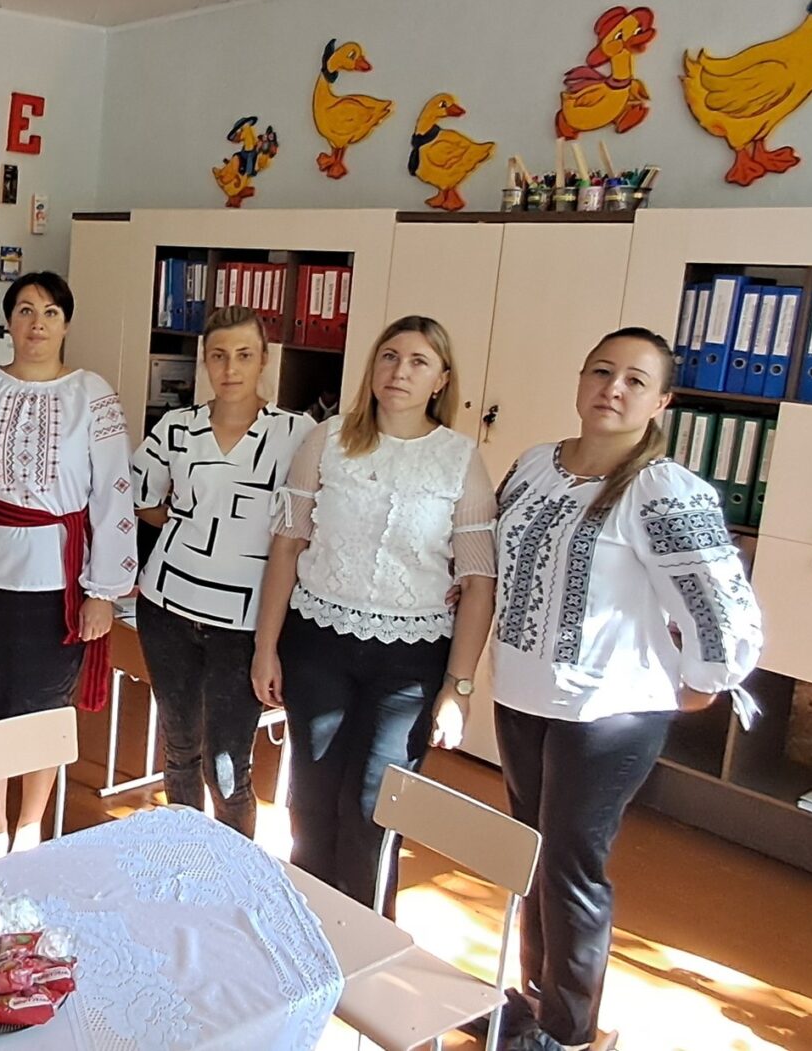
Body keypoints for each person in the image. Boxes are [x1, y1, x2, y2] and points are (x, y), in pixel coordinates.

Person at [480, 328, 763, 1051]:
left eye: (636, 380)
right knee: (533, 851)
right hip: (523, 694)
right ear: (580, 379)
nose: (613, 388)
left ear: (661, 401)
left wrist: (705, 680)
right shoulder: (534, 466)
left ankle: (569, 1032)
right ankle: (534, 999)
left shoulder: (661, 490)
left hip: (609, 712)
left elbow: (720, 603)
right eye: (602, 371)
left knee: (571, 866)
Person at [251, 315, 497, 906]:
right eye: (389, 356)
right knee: (311, 798)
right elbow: (287, 546)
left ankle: (367, 935)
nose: (399, 372)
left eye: (418, 362)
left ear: (441, 379)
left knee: (374, 805)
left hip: (411, 660)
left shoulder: (460, 459)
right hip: (318, 644)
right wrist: (265, 648)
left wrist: (459, 688)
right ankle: (308, 923)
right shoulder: (328, 439)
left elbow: (478, 582)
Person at [0, 271, 134, 862]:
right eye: (25, 310)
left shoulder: (92, 395)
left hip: (58, 582)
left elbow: (114, 494)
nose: (37, 323)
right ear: (8, 322)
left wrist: (103, 591)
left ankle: (31, 824)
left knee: (44, 709)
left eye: (51, 312)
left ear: (66, 324)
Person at [128, 305, 310, 838]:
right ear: (204, 361)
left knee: (228, 765)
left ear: (264, 360)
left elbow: (309, 521)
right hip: (167, 609)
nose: (231, 369)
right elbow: (142, 497)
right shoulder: (177, 428)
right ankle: (185, 854)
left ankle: (232, 867)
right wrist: (188, 527)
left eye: (244, 356)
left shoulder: (298, 434)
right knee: (180, 748)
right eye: (219, 356)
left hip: (245, 622)